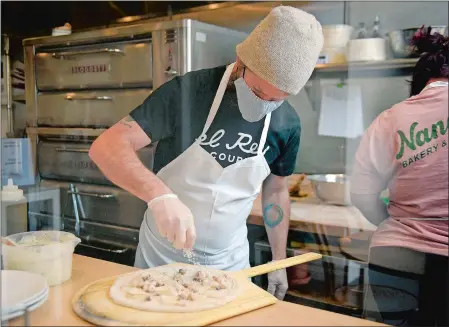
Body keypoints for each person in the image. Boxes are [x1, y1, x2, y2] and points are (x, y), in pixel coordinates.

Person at [89, 6, 323, 300]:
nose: (265, 105)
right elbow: (107, 146)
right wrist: (159, 196)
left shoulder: (287, 124)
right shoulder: (188, 93)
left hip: (231, 268)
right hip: (161, 261)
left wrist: (278, 260)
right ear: (241, 62)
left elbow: (276, 191)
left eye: (276, 100)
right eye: (259, 93)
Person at [350, 26, 448, 326]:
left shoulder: (389, 118)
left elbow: (362, 195)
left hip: (393, 254)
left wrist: (393, 222)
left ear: (418, 86)